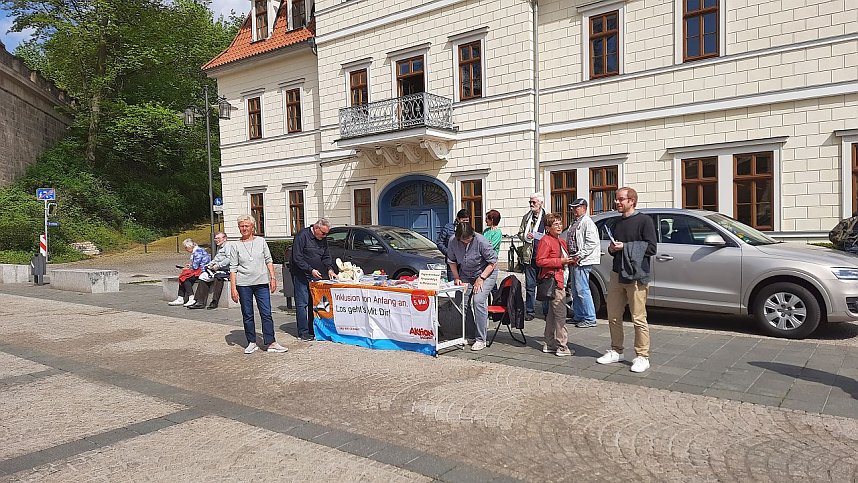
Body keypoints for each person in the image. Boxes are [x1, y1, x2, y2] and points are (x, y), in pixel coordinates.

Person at [597, 187, 657, 373]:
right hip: (617, 273)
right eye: (616, 199)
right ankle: (616, 350)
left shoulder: (644, 221)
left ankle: (642, 356)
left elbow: (652, 248)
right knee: (613, 315)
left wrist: (626, 247)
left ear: (632, 201)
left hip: (637, 275)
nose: (617, 202)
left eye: (621, 199)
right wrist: (612, 249)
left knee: (638, 317)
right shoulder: (616, 222)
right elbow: (614, 246)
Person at [229, 215, 288, 354]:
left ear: (252, 227)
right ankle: (251, 341)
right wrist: (233, 289)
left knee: (266, 312)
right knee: (248, 314)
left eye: (246, 226)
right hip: (243, 284)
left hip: (261, 282)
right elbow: (233, 268)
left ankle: (271, 342)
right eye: (241, 226)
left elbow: (269, 260)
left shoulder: (261, 241)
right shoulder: (235, 245)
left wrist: (273, 278)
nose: (244, 228)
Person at [446, 223, 498, 351]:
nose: (466, 241)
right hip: (466, 273)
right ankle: (470, 334)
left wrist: (481, 278)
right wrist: (457, 278)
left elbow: (493, 262)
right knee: (462, 302)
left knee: (478, 300)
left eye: (469, 238)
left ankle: (481, 339)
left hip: (486, 272)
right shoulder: (453, 241)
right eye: (463, 240)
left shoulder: (481, 241)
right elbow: (451, 261)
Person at [290, 218, 337, 341]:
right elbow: (297, 258)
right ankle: (303, 332)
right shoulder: (302, 236)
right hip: (301, 274)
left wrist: (330, 269)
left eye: (326, 233)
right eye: (323, 233)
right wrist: (310, 269)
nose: (324, 236)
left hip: (315, 275)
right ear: (316, 228)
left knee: (314, 303)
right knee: (302, 303)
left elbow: (326, 255)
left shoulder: (323, 238)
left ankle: (312, 329)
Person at [536, 213, 576, 356]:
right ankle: (562, 346)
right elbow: (540, 261)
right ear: (548, 228)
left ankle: (549, 343)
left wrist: (571, 260)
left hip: (561, 280)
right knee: (560, 314)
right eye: (555, 224)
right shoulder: (546, 241)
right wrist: (561, 261)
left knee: (553, 314)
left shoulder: (561, 241)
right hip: (554, 281)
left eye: (560, 223)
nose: (559, 226)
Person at [566, 198, 600, 328]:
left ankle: (590, 318)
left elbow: (591, 242)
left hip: (582, 261)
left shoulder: (587, 222)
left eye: (576, 207)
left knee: (583, 290)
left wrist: (579, 256)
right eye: (573, 207)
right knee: (575, 290)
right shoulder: (576, 222)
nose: (574, 210)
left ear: (584, 207)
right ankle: (579, 316)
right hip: (575, 260)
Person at [516, 192, 547, 320]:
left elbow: (551, 235)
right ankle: (530, 311)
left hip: (543, 256)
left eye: (534, 202)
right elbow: (520, 233)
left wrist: (540, 237)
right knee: (529, 286)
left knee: (545, 286)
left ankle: (547, 312)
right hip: (529, 256)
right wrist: (525, 236)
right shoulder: (526, 217)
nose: (531, 204)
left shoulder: (547, 217)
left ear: (540, 203)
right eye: (530, 202)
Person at [188, 232, 231, 310]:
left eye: (218, 238)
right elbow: (216, 259)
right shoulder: (219, 247)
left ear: (225, 238)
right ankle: (199, 301)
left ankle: (214, 301)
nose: (216, 240)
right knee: (203, 277)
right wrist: (210, 264)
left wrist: (218, 265)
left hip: (227, 270)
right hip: (217, 269)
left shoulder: (228, 246)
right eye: (215, 238)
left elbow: (229, 259)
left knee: (218, 277)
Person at [168, 238, 211, 307]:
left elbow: (196, 266)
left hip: (202, 270)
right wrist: (190, 265)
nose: (186, 249)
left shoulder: (198, 251)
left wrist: (189, 267)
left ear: (190, 246)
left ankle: (190, 297)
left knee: (185, 278)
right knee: (183, 277)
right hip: (199, 269)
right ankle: (180, 297)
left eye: (186, 247)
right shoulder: (197, 251)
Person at [483, 209, 503, 302]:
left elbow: (490, 245)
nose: (485, 220)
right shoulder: (486, 231)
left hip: (491, 261)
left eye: (487, 219)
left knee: (492, 284)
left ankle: (496, 302)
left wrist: (484, 244)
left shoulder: (497, 232)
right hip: (483, 260)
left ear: (492, 220)